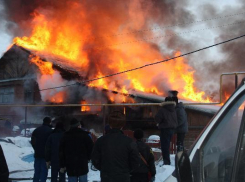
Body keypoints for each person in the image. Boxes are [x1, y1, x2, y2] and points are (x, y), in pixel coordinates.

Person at [91, 111, 140, 182]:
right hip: (123, 177)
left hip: (106, 177)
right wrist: (125, 170)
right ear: (122, 125)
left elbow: (95, 160)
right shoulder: (129, 142)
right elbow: (136, 161)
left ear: (110, 125)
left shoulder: (101, 141)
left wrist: (105, 169)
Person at [155, 97, 177, 165]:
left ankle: (166, 162)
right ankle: (167, 161)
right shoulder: (173, 109)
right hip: (172, 130)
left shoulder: (162, 110)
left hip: (165, 129)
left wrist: (158, 123)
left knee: (164, 146)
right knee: (167, 146)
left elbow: (157, 119)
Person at [31, 117, 53, 182]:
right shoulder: (50, 131)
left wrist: (36, 149)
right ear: (49, 122)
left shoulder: (36, 130)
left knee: (37, 172)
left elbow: (33, 142)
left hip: (37, 154)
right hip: (46, 156)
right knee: (44, 172)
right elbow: (51, 144)